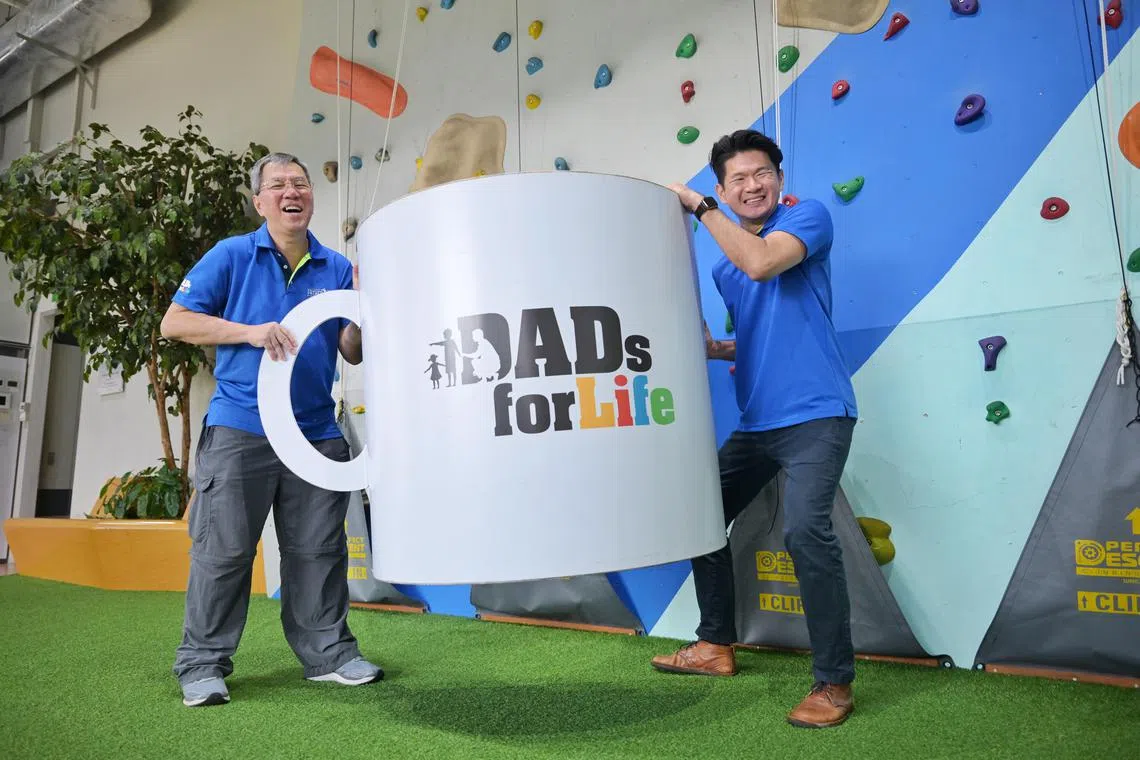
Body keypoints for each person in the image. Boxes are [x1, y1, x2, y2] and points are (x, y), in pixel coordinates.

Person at [651, 129, 859, 729]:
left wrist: (699, 207)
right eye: (736, 179)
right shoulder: (726, 270)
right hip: (760, 424)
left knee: (804, 531)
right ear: (725, 185)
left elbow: (763, 263)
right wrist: (716, 348)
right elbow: (761, 331)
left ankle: (834, 683)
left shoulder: (807, 219)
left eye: (760, 173)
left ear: (779, 179)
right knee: (700, 515)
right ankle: (715, 646)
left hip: (818, 414)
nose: (751, 185)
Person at [161, 152, 383, 707]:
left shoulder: (335, 266)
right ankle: (202, 666)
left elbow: (349, 353)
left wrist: (363, 312)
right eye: (279, 184)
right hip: (240, 429)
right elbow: (175, 322)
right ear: (259, 201)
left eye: (301, 184)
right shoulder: (232, 255)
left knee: (318, 551)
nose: (293, 192)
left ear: (311, 197)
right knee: (225, 551)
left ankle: (329, 656)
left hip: (313, 431)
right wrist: (250, 332)